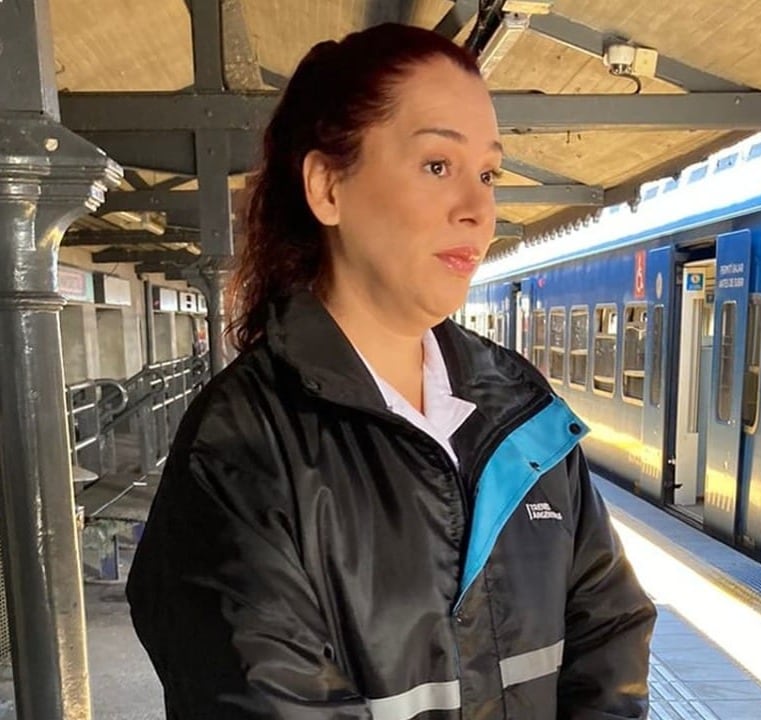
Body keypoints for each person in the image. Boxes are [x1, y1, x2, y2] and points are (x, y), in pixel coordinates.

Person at [126, 22, 656, 720]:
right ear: (327, 188)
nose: (478, 209)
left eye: (489, 173)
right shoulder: (242, 451)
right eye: (438, 165)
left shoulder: (521, 410)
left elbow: (610, 633)